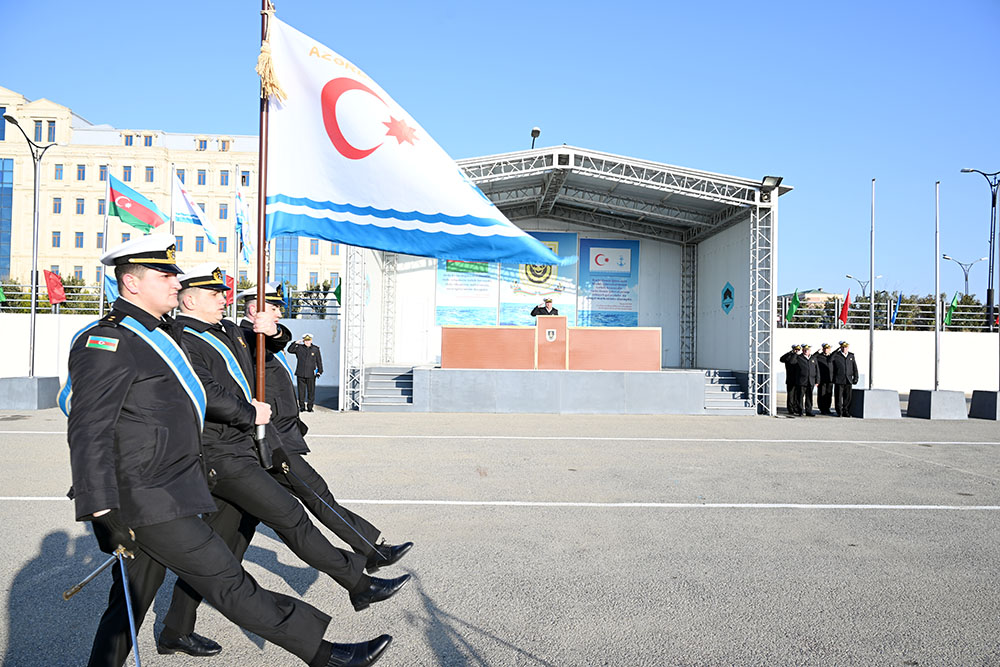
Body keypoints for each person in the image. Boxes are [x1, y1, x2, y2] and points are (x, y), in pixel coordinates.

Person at [63, 238, 390, 667]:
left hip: (168, 490)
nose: (174, 282)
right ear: (131, 282)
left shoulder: (156, 335)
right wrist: (103, 511)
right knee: (228, 581)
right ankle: (324, 655)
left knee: (130, 600)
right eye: (165, 275)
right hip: (145, 498)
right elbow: (89, 429)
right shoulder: (109, 341)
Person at [159, 267, 408, 658]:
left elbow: (278, 343)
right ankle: (357, 583)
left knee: (222, 549)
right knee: (291, 514)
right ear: (189, 299)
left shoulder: (225, 331)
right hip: (221, 453)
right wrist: (248, 412)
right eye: (214, 294)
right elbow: (205, 392)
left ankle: (175, 629)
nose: (223, 298)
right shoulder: (182, 339)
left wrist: (270, 330)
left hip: (247, 447)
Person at [239, 283, 413, 570]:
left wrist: (274, 331)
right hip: (272, 440)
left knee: (233, 530)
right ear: (254, 311)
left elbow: (280, 339)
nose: (280, 313)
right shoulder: (247, 338)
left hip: (280, 434)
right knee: (316, 492)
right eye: (273, 308)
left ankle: (184, 609)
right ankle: (371, 551)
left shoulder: (259, 337)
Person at [289, 333, 323, 411]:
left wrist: (320, 371)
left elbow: (319, 361)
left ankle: (310, 407)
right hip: (301, 373)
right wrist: (295, 343)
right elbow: (290, 350)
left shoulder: (315, 349)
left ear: (311, 340)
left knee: (311, 391)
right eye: (305, 341)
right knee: (301, 391)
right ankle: (302, 406)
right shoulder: (299, 348)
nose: (307, 342)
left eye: (308, 340)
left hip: (311, 373)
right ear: (303, 341)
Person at [830, 340, 859, 417]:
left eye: (846, 347)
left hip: (848, 379)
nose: (844, 349)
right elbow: (830, 359)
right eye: (843, 347)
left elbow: (854, 367)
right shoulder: (837, 355)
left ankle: (846, 411)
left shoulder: (851, 356)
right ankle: (839, 411)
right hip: (839, 379)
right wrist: (836, 350)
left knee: (847, 397)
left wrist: (856, 377)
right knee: (838, 397)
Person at [778, 344, 802, 416]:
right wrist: (791, 353)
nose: (797, 351)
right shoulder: (789, 356)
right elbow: (782, 359)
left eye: (798, 350)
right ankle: (790, 409)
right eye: (795, 349)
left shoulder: (799, 357)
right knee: (791, 395)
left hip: (798, 379)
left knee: (797, 395)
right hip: (790, 379)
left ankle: (796, 408)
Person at [815, 343, 835, 415]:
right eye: (825, 349)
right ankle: (822, 408)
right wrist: (817, 352)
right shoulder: (819, 357)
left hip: (830, 379)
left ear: (830, 349)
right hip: (822, 379)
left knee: (828, 395)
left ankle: (827, 408)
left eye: (827, 349)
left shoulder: (832, 357)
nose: (826, 350)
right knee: (821, 394)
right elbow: (813, 358)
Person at [799, 344, 818, 416]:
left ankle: (808, 411)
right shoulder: (799, 358)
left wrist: (817, 380)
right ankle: (800, 411)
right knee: (800, 397)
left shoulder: (813, 358)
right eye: (805, 350)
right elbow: (791, 361)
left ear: (810, 350)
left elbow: (817, 370)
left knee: (809, 397)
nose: (806, 351)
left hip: (811, 381)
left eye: (807, 350)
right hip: (802, 381)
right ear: (802, 350)